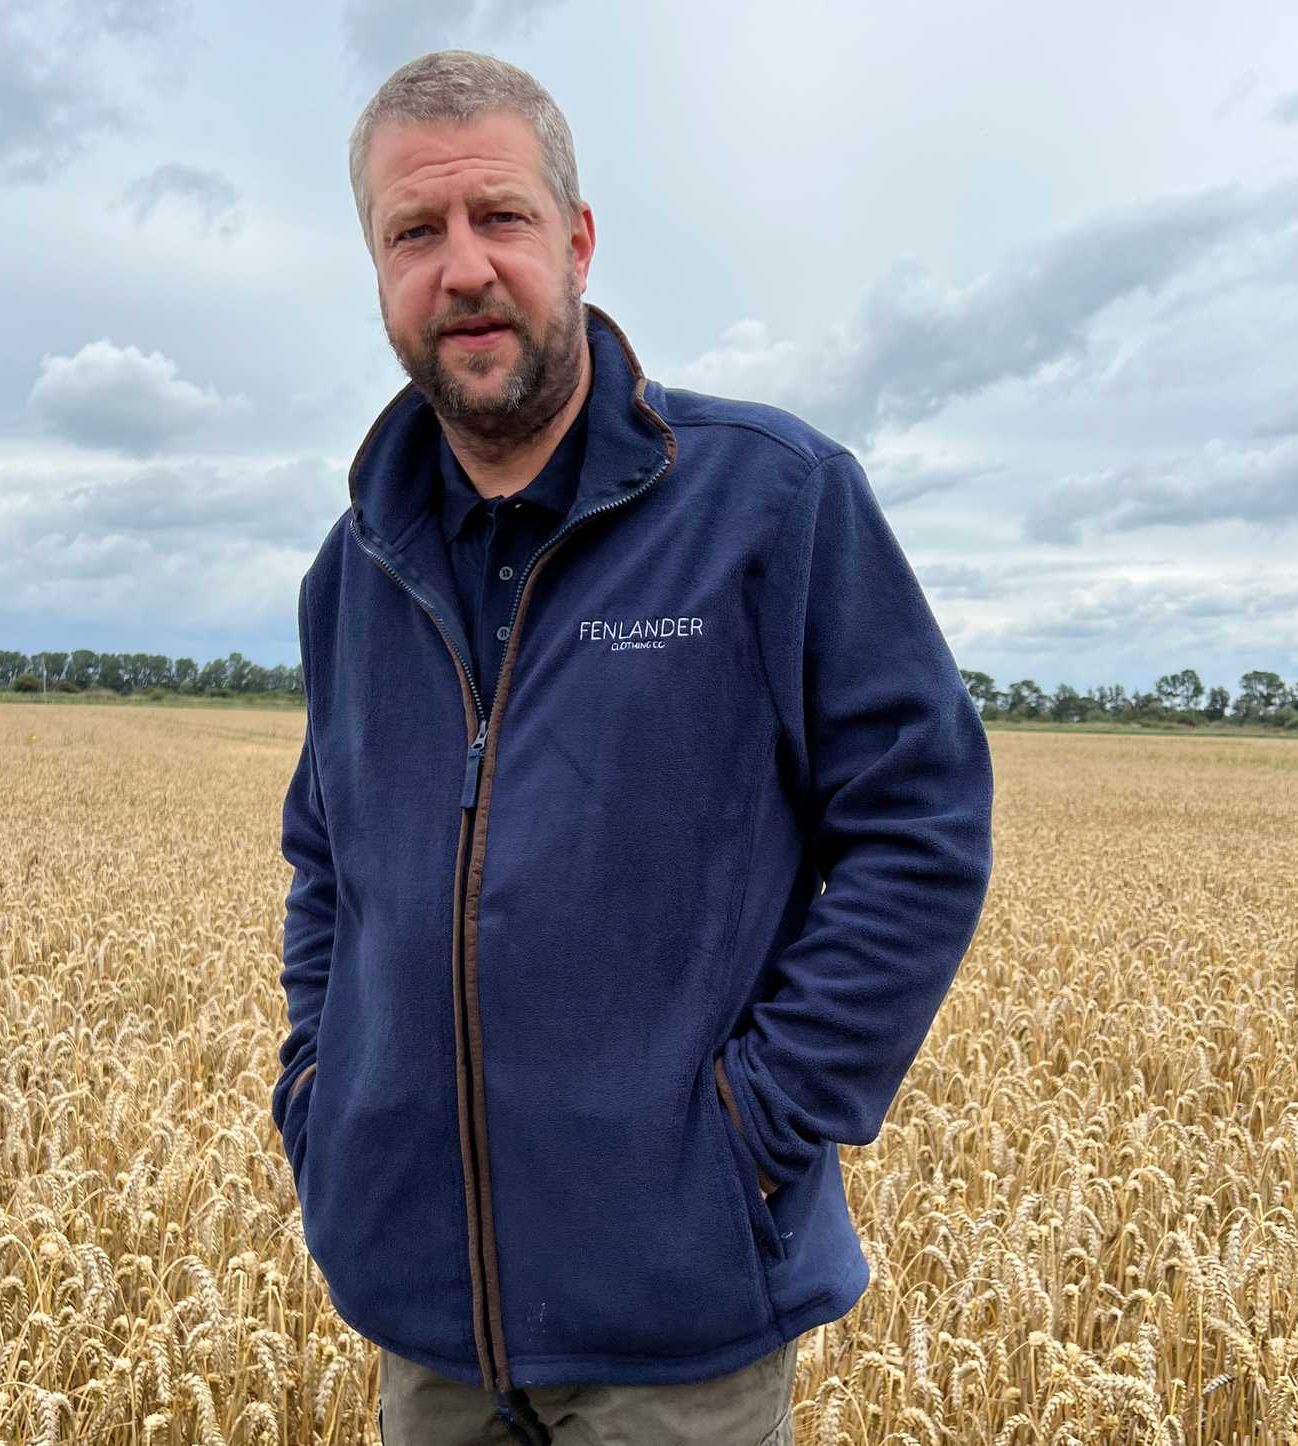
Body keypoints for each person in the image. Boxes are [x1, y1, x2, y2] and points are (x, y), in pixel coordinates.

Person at [272, 49, 993, 1446]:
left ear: (580, 239)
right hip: (426, 1325)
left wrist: (755, 1132)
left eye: (503, 218)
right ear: (374, 268)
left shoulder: (770, 506)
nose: (464, 267)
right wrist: (323, 1090)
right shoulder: (352, 570)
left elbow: (921, 822)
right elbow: (327, 860)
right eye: (415, 233)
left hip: (680, 1334)